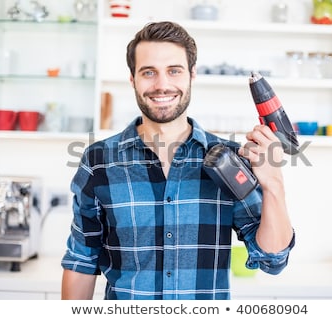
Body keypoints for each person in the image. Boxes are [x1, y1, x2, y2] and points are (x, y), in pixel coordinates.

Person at [61, 21, 295, 300]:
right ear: (132, 79)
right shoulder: (99, 161)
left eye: (174, 70)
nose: (162, 85)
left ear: (192, 75)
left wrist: (274, 184)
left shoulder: (230, 160)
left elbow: (273, 260)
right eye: (149, 72)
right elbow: (81, 261)